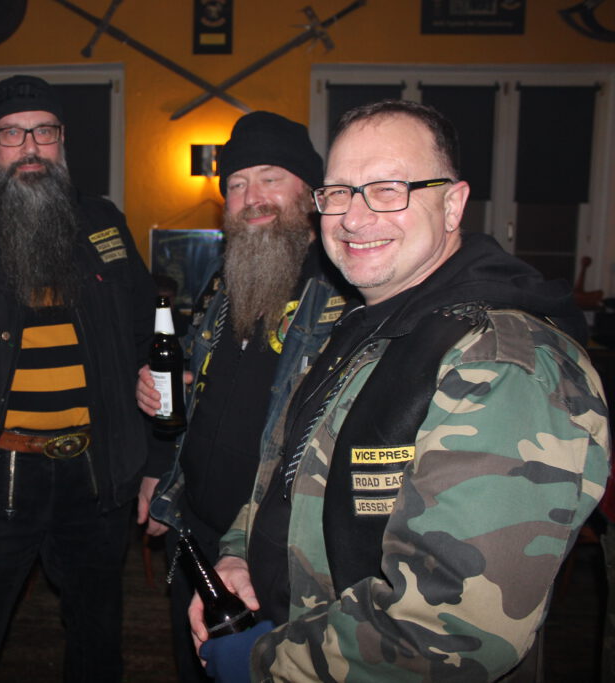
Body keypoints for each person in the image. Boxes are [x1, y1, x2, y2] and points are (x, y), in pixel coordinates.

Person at [192, 99, 611, 682]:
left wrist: (266, 663)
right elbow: (286, 473)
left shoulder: (501, 364)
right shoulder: (362, 328)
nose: (355, 217)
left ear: (453, 205)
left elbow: (449, 632)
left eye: (388, 189)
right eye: (340, 192)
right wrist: (239, 554)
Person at [0, 74, 157, 682]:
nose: (31, 147)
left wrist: (153, 460)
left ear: (62, 140)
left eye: (44, 131)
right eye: (13, 134)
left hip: (95, 477)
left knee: (98, 643)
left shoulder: (103, 222)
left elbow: (146, 341)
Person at [135, 111, 350, 682]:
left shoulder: (346, 290)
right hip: (195, 528)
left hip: (276, 549)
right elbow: (192, 386)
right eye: (236, 184)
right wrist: (159, 463)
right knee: (196, 665)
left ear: (310, 190)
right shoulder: (226, 280)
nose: (252, 198)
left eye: (270, 178)